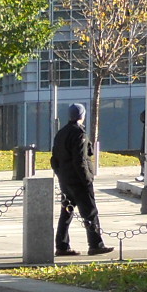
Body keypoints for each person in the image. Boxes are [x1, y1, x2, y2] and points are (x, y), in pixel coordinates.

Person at [52, 103, 111, 256]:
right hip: (78, 180)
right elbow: (80, 159)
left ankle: (62, 245)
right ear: (82, 116)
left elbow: (54, 159)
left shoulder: (61, 133)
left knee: (66, 213)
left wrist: (60, 175)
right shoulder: (79, 133)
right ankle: (95, 244)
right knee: (90, 212)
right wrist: (87, 179)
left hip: (65, 179)